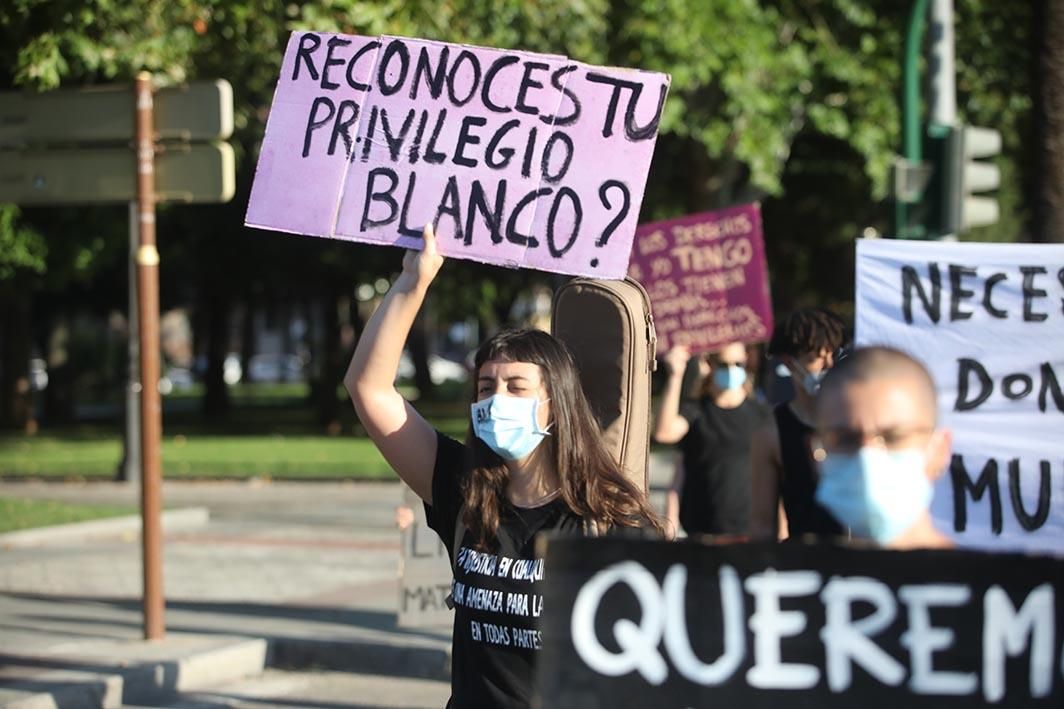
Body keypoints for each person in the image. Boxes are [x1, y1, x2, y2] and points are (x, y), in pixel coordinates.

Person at [344, 224, 662, 709]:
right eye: (486, 387)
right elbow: (369, 388)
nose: (496, 400)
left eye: (517, 387)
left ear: (556, 405)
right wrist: (413, 284)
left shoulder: (610, 522)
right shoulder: (462, 486)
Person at [812, 345, 953, 549]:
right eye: (845, 439)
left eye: (894, 437)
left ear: (939, 450)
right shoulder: (781, 580)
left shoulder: (992, 580)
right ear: (815, 454)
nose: (867, 460)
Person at [749, 307, 846, 540]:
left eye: (835, 355)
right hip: (804, 565)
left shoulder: (857, 422)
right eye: (817, 359)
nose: (829, 366)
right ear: (790, 364)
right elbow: (763, 525)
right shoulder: (771, 433)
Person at [655, 342, 769, 537]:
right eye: (724, 364)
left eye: (738, 364)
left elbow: (772, 475)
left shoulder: (761, 415)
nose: (731, 371)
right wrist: (676, 375)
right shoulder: (695, 411)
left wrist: (781, 533)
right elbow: (665, 434)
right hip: (700, 532)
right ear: (709, 365)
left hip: (749, 532)